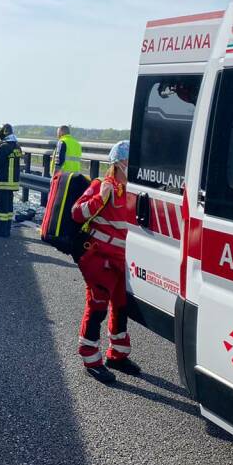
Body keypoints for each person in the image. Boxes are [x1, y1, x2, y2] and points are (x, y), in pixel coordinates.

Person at [72, 140, 139, 376]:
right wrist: (100, 198)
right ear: (119, 163)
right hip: (99, 258)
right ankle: (90, 359)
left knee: (121, 306)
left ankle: (118, 355)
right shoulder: (103, 185)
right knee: (98, 306)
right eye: (131, 162)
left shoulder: (133, 190)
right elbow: (77, 213)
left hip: (122, 260)